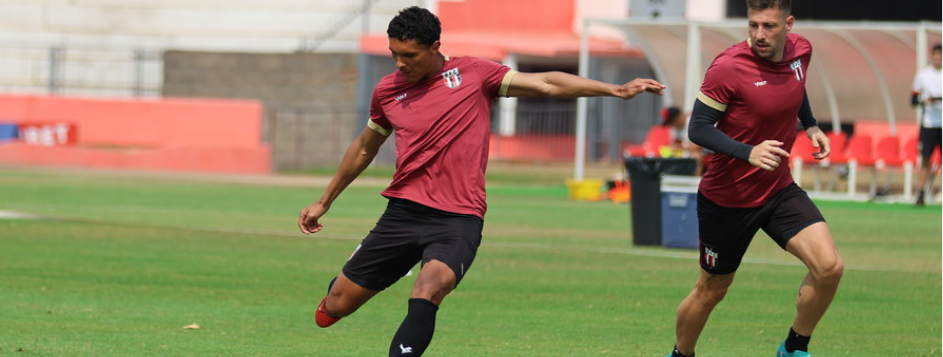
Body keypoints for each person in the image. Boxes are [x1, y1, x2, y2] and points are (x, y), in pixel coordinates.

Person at [298, 6, 664, 357]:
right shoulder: (387, 90)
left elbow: (547, 83)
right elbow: (365, 147)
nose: (399, 63)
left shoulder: (474, 74)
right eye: (394, 54)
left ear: (434, 47)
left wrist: (615, 89)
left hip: (458, 219)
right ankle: (346, 283)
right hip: (403, 214)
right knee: (335, 308)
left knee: (429, 288)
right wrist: (325, 200)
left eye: (409, 55)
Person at [663, 1, 844, 357]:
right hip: (727, 199)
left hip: (777, 189)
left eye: (769, 26)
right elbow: (698, 128)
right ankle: (681, 354)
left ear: (788, 24)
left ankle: (793, 348)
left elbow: (795, 85)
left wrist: (810, 125)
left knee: (829, 268)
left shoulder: (801, 51)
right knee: (712, 290)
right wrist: (748, 152)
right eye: (753, 25)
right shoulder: (728, 67)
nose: (760, 34)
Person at [911, 44, 942, 206]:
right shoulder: (923, 75)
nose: (938, 59)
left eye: (940, 56)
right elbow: (913, 100)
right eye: (935, 56)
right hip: (928, 124)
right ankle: (921, 193)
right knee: (925, 158)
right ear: (931, 56)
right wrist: (925, 101)